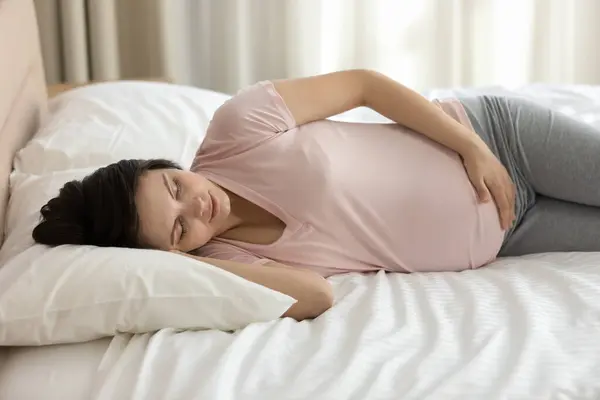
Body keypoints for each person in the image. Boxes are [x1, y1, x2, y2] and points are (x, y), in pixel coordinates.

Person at [32, 70, 600, 321]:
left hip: (500, 142)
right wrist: (186, 263)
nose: (196, 207)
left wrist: (473, 149)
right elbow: (315, 297)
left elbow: (363, 84)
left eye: (176, 187)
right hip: (508, 235)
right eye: (180, 228)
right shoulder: (231, 261)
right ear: (175, 253)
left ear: (169, 166)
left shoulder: (237, 129)